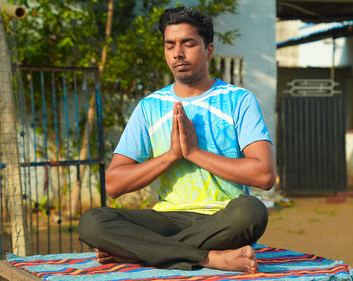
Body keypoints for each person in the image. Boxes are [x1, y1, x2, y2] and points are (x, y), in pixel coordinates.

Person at [78, 6, 275, 274]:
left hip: (224, 219)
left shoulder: (239, 100)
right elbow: (113, 184)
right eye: (169, 45)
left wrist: (194, 152)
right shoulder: (150, 107)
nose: (177, 53)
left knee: (253, 211)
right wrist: (171, 155)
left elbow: (264, 175)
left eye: (188, 44)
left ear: (209, 50)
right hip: (167, 218)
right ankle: (209, 259)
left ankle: (140, 252)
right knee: (92, 221)